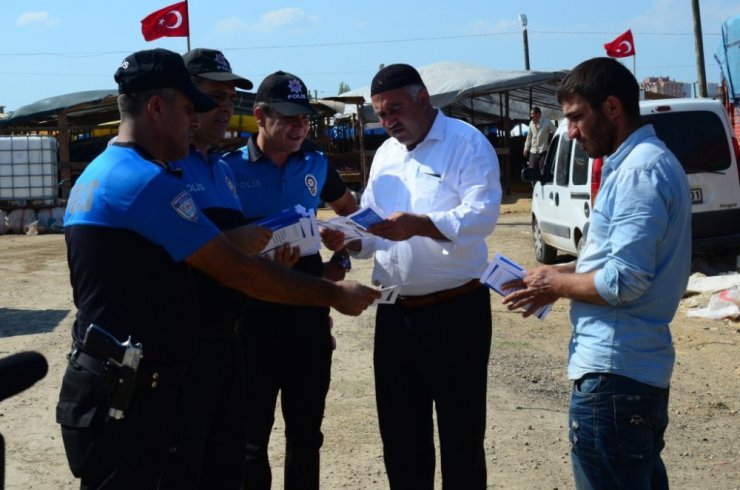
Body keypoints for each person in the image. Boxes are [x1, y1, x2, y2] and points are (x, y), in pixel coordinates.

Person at [56, 48, 379, 489]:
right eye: (192, 105)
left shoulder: (119, 170)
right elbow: (234, 269)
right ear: (156, 108)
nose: (204, 115)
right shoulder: (145, 180)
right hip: (130, 388)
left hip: (155, 371)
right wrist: (335, 295)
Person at [502, 57, 692, 489]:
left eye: (575, 117)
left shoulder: (639, 172)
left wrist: (555, 283)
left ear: (611, 108)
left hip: (614, 375)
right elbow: (608, 262)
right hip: (627, 374)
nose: (570, 131)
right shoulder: (637, 164)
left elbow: (622, 280)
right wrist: (551, 277)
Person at [344, 64, 502, 488]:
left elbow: (481, 215)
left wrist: (421, 225)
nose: (389, 121)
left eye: (395, 108)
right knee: (400, 437)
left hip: (456, 311)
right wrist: (352, 241)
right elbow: (377, 232)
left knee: (461, 436)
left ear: (423, 97)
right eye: (380, 114)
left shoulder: (466, 143)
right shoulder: (385, 155)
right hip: (395, 315)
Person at [223, 71, 358, 490]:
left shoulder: (316, 163)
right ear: (260, 116)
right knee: (249, 440)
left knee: (306, 436)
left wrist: (341, 260)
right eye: (289, 117)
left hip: (307, 314)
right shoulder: (227, 169)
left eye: (306, 118)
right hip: (249, 319)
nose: (300, 126)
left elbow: (350, 214)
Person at [159, 48, 275, 490]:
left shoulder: (223, 171)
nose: (225, 107)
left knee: (227, 466)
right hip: (183, 349)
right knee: (183, 468)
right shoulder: (164, 166)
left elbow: (232, 253)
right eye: (213, 96)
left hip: (230, 342)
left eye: (230, 98)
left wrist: (265, 251)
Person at [522, 106, 556, 175]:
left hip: (543, 151)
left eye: (533, 114)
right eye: (531, 114)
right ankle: (534, 185)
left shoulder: (547, 122)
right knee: (532, 171)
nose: (531, 116)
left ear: (538, 114)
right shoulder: (531, 123)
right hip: (533, 151)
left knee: (542, 171)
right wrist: (526, 148)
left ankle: (542, 184)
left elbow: (556, 131)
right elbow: (529, 137)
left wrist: (552, 144)